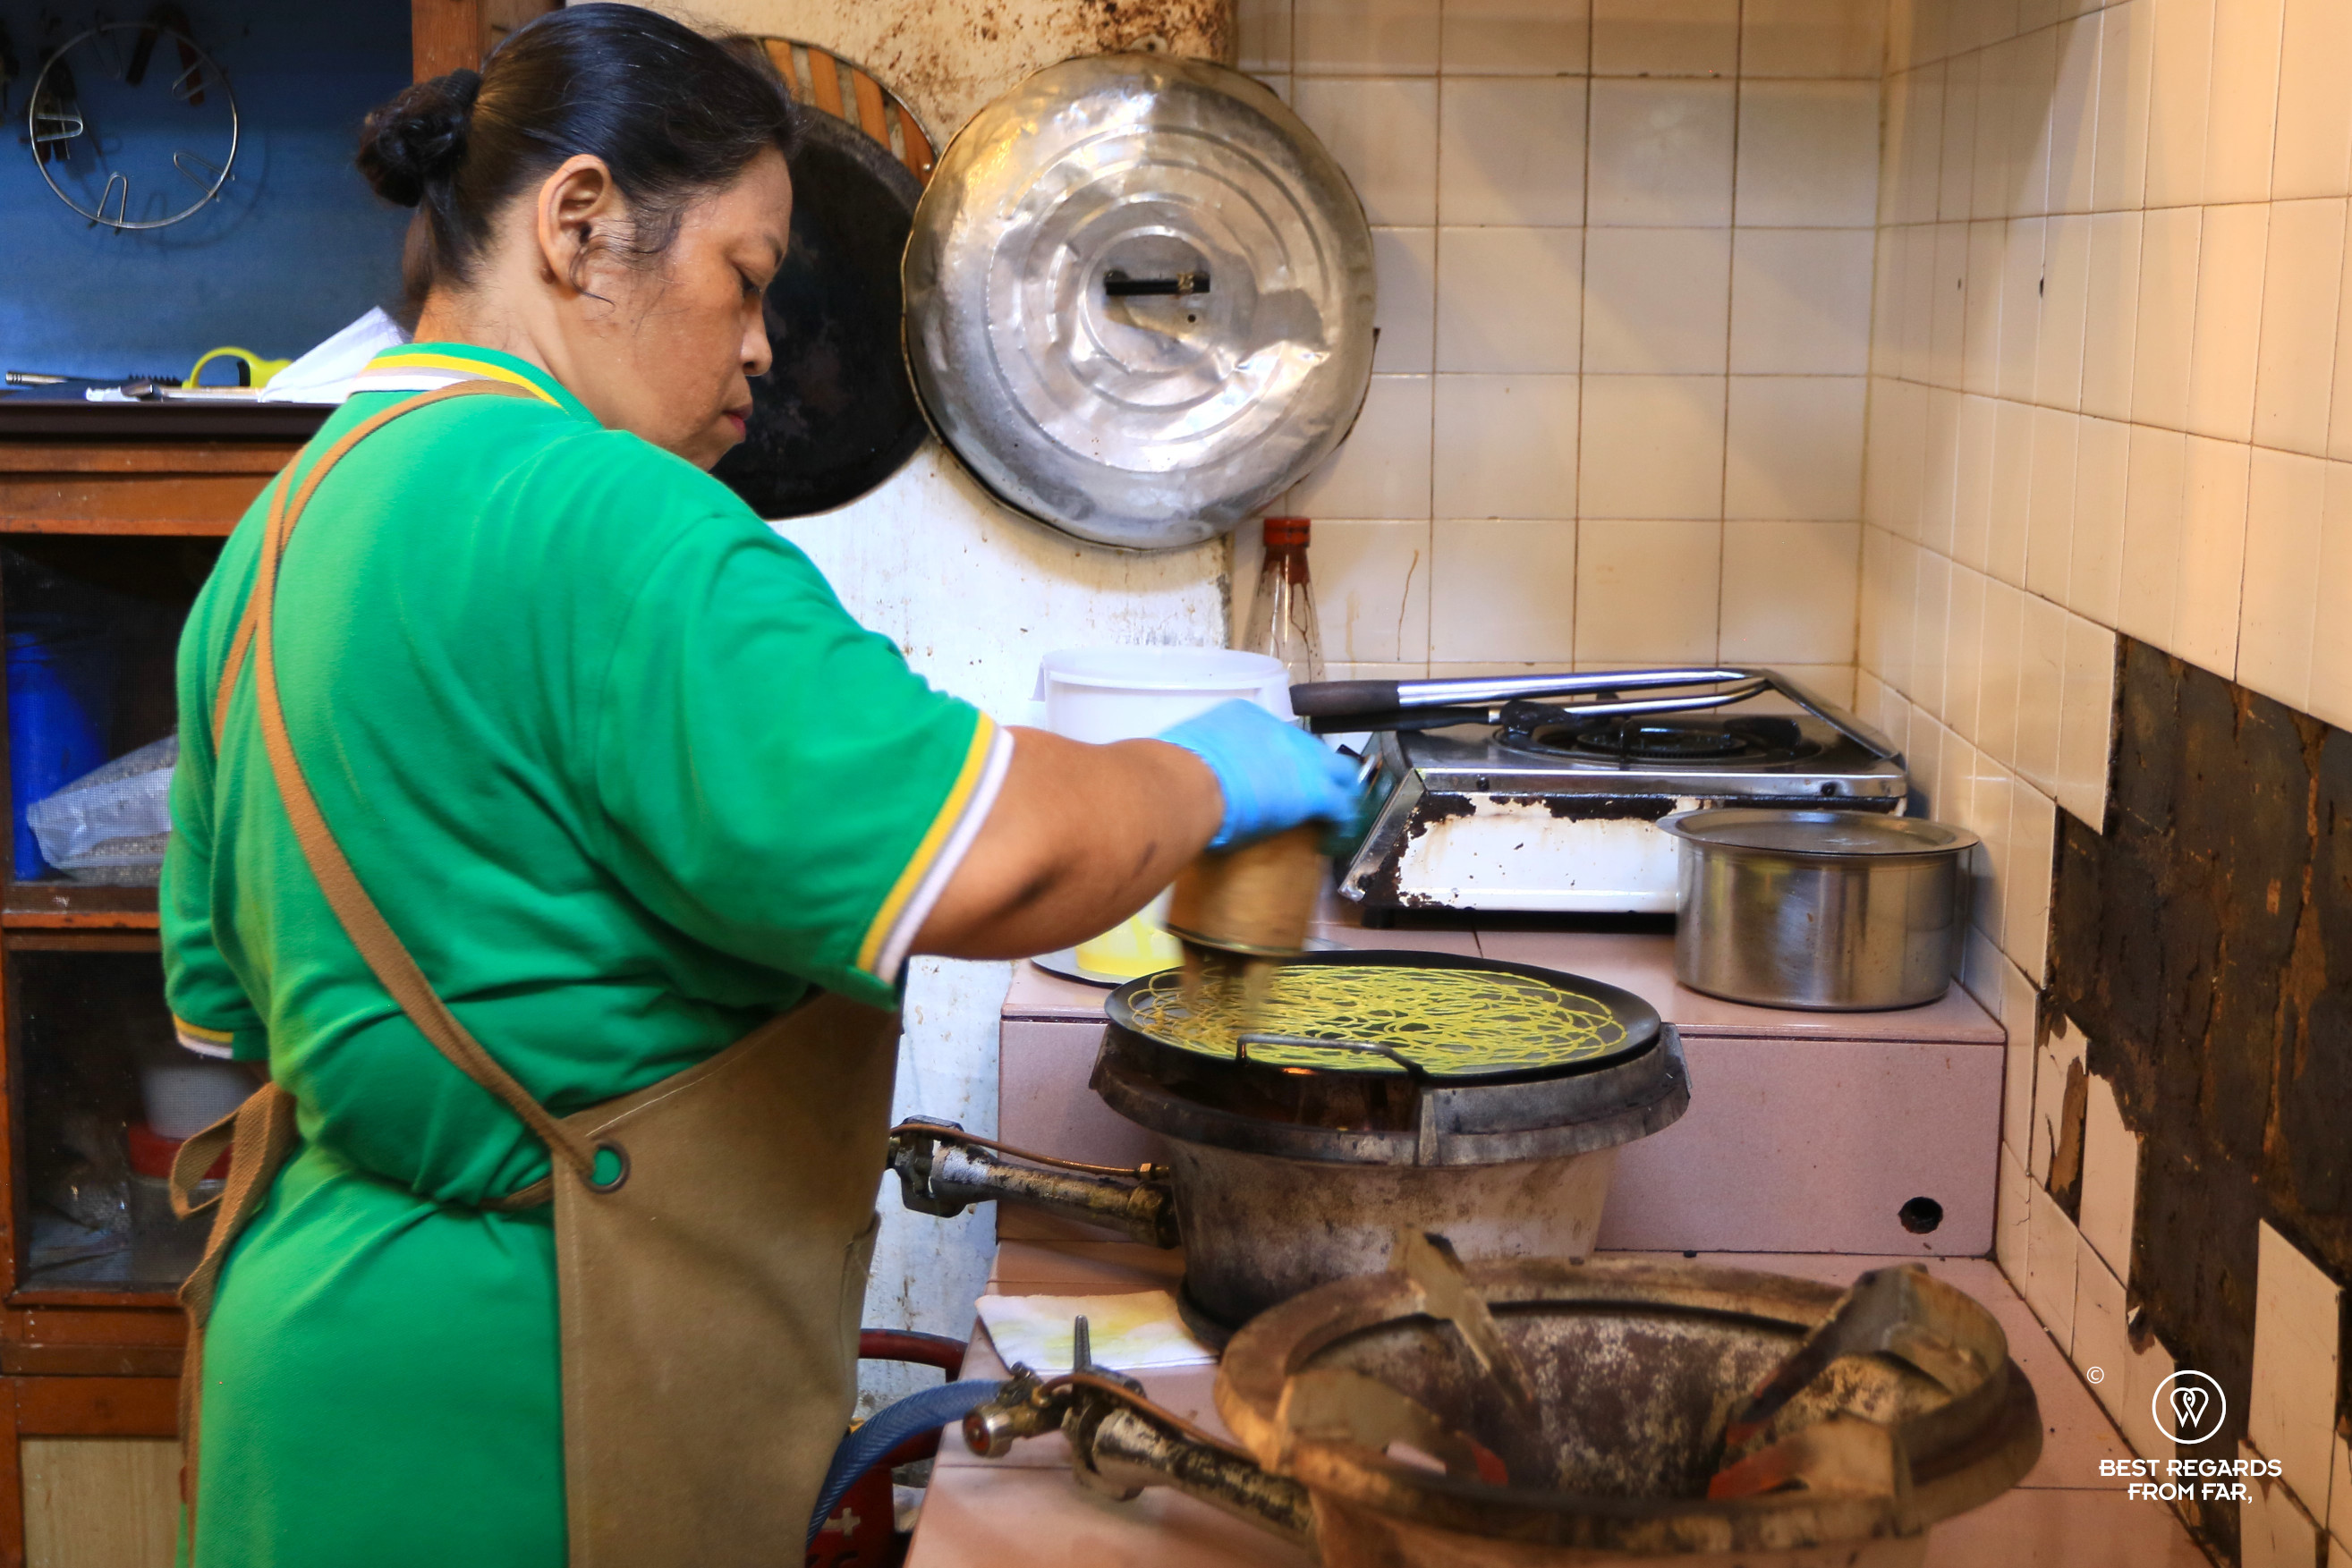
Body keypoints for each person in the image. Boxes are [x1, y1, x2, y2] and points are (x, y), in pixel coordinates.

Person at [157, 9, 1357, 1565]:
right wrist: (1207, 771)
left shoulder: (280, 532)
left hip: (302, 1399)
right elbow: (990, 862)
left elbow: (225, 1021)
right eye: (742, 276)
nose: (762, 347)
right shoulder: (602, 514)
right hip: (532, 1427)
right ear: (580, 225)